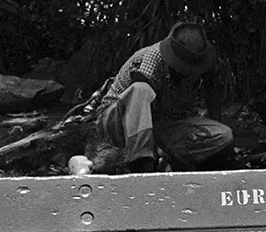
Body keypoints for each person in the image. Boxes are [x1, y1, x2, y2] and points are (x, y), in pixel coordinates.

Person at [94, 22, 235, 173]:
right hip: (120, 120)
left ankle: (179, 163)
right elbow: (138, 101)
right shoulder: (150, 59)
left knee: (223, 135)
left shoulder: (200, 67)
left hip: (163, 124)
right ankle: (140, 162)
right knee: (141, 89)